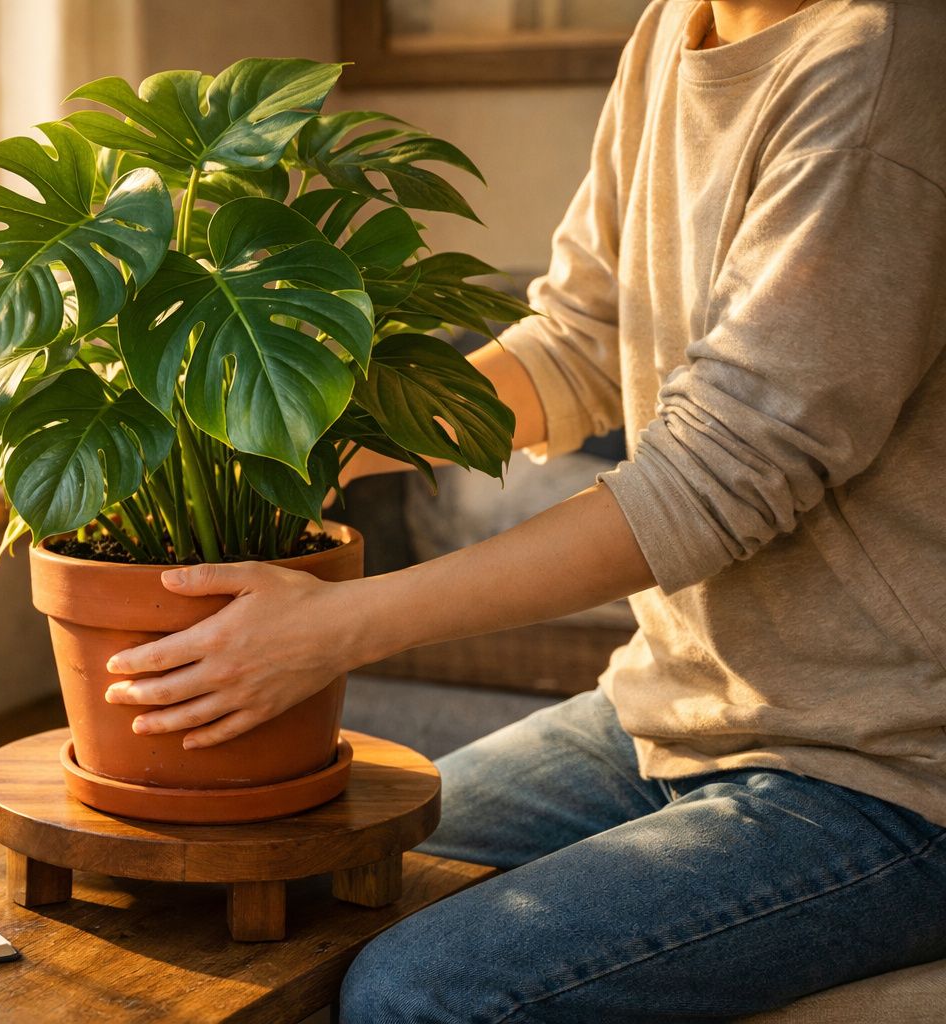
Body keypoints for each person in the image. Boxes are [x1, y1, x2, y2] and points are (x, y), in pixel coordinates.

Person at [101, 0, 946, 1019]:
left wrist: (334, 625)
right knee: (317, 884)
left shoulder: (879, 65)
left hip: (883, 772)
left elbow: (724, 470)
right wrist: (297, 440)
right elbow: (580, 341)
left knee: (421, 993)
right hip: (673, 713)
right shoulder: (674, 29)